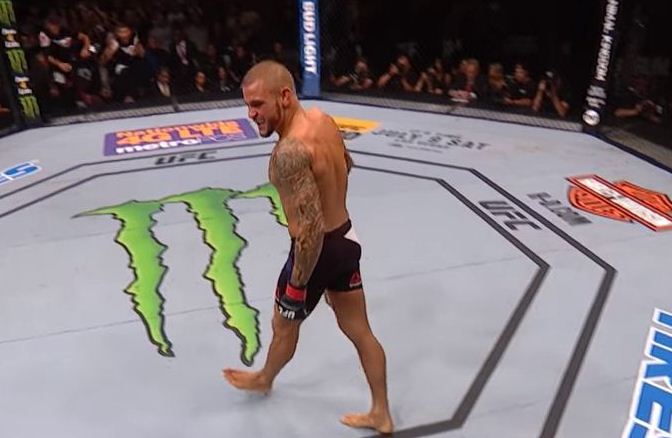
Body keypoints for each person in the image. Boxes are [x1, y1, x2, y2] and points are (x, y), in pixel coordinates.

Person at [222, 60, 394, 435]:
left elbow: (309, 230)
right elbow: (346, 163)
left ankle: (264, 378)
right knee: (360, 331)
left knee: (283, 325)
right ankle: (381, 412)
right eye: (248, 105)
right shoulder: (322, 120)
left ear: (284, 96)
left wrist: (298, 286)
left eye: (257, 104)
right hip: (346, 239)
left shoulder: (288, 153)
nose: (251, 115)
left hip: (314, 253)